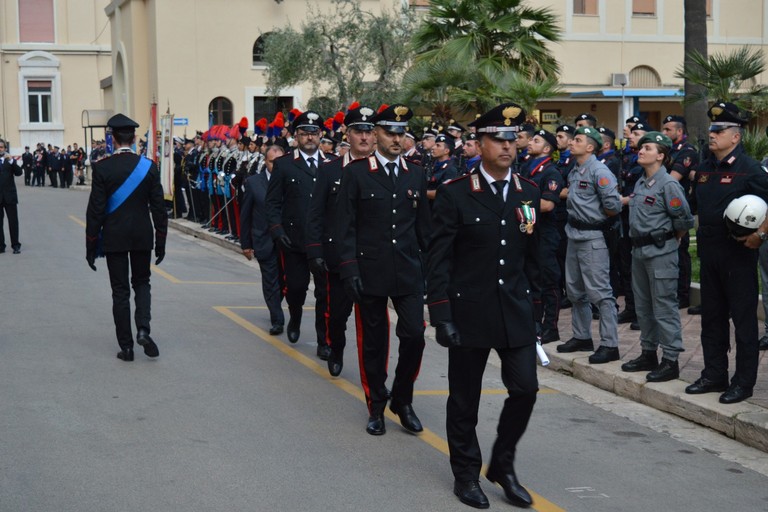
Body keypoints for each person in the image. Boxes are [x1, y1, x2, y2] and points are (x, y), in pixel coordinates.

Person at [427, 102, 540, 509]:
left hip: (515, 310)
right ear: (479, 143)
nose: (507, 147)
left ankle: (503, 465)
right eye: (498, 139)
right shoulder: (456, 193)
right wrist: (441, 314)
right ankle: (466, 474)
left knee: (525, 389)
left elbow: (533, 255)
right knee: (464, 400)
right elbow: (438, 258)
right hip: (468, 311)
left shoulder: (529, 190)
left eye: (513, 139)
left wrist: (541, 306)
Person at [336, 104, 430, 436]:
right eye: (389, 132)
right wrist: (349, 270)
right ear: (375, 134)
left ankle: (402, 398)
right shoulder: (356, 173)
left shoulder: (416, 174)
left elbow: (424, 228)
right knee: (373, 342)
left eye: (400, 133)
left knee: (415, 336)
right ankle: (376, 403)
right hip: (369, 270)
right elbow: (345, 227)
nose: (395, 139)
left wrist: (431, 272)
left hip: (407, 271)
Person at [685, 101, 768, 404]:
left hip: (737, 255)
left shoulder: (750, 169)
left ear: (736, 136)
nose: (712, 134)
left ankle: (743, 383)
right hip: (709, 254)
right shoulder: (706, 167)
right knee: (712, 318)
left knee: (743, 322)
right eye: (711, 129)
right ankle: (714, 374)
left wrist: (760, 235)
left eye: (719, 130)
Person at [85, 113, 168, 362]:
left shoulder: (102, 168)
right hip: (142, 235)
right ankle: (143, 328)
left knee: (119, 291)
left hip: (115, 237)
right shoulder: (149, 167)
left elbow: (95, 211)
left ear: (112, 138)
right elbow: (159, 209)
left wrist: (90, 245)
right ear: (133, 138)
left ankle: (127, 347)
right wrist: (160, 241)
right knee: (142, 283)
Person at [305, 104, 375, 377]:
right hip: (338, 257)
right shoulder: (330, 170)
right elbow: (316, 213)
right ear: (348, 134)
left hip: (371, 257)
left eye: (369, 132)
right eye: (359, 131)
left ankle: (372, 373)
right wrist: (315, 251)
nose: (365, 137)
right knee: (336, 315)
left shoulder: (381, 171)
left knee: (371, 321)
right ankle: (335, 348)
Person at [620, 132, 694, 382]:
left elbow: (683, 220)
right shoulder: (641, 182)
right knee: (643, 306)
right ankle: (648, 352)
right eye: (641, 148)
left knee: (664, 306)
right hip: (639, 251)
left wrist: (672, 239)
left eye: (648, 148)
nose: (641, 151)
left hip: (661, 251)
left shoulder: (669, 184)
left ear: (661, 156)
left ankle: (670, 360)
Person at [265, 110, 334, 360]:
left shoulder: (332, 162)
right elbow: (272, 203)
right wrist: (277, 230)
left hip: (324, 241)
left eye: (314, 133)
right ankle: (294, 317)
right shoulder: (284, 164)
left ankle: (323, 341)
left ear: (321, 135)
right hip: (294, 239)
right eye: (304, 133)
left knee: (325, 293)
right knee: (296, 288)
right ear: (296, 136)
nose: (309, 137)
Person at [556, 126, 622, 364]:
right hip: (573, 235)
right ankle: (582, 337)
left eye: (578, 140)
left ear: (591, 147)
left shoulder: (599, 171)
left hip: (593, 236)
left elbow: (613, 206)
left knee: (600, 293)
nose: (572, 142)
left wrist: (595, 217)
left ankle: (609, 344)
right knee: (575, 291)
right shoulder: (575, 169)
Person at [523, 129, 564, 344]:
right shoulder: (526, 168)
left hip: (545, 233)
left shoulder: (551, 173)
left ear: (547, 149)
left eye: (536, 140)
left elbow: (547, 204)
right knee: (531, 280)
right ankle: (534, 323)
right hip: (528, 231)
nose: (530, 142)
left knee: (548, 282)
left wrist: (518, 204)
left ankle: (551, 327)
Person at [241, 145, 286, 335]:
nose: (275, 166)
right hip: (264, 240)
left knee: (285, 283)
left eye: (279, 162)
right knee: (270, 282)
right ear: (265, 161)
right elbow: (246, 215)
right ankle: (277, 318)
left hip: (287, 241)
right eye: (271, 162)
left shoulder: (292, 181)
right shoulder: (253, 183)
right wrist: (246, 244)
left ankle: (276, 304)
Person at [661, 114, 698, 309]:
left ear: (680, 131)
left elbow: (671, 179)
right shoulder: (670, 151)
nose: (664, 132)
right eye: (663, 129)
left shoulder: (687, 151)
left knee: (681, 251)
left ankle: (682, 295)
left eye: (668, 129)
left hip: (679, 208)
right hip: (665, 207)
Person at [0, 140, 23, 254]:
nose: (0, 149)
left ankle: (15, 245)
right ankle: (1, 246)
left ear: (5, 149)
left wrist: (12, 161)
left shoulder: (10, 161)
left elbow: (19, 172)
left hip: (10, 196)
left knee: (13, 222)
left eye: (1, 147)